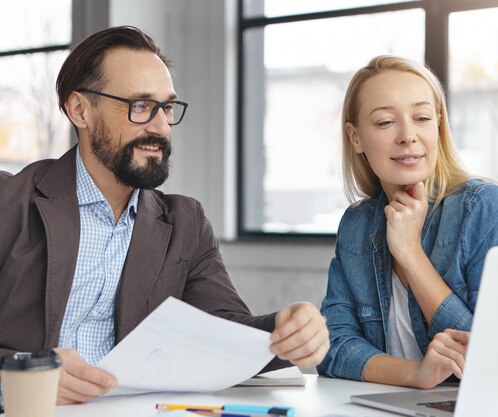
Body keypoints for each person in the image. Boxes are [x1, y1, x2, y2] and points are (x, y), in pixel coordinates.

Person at [0, 26, 329, 404]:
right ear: (80, 110)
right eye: (140, 105)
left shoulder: (185, 224)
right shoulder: (9, 203)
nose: (160, 127)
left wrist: (288, 330)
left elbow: (227, 332)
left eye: (167, 107)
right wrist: (22, 378)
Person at [316, 55, 498, 389]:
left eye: (421, 117)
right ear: (355, 137)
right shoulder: (356, 226)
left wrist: (411, 254)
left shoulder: (484, 209)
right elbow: (332, 347)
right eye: (386, 122)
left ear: (439, 126)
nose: (408, 135)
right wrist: (416, 375)